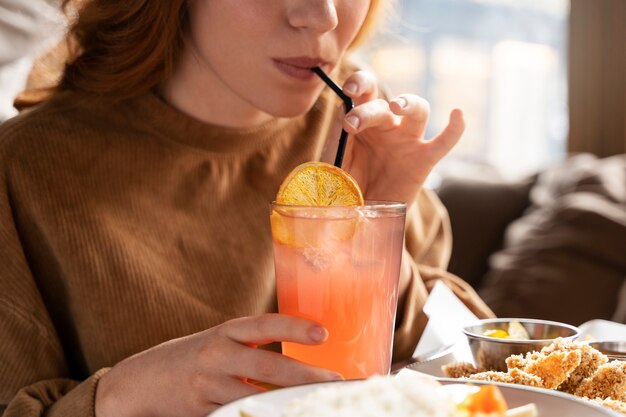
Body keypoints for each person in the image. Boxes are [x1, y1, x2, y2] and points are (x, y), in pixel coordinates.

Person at [0, 1, 494, 416]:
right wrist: (124, 394)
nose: (322, 17)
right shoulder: (23, 169)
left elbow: (472, 370)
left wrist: (374, 242)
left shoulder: (354, 126)